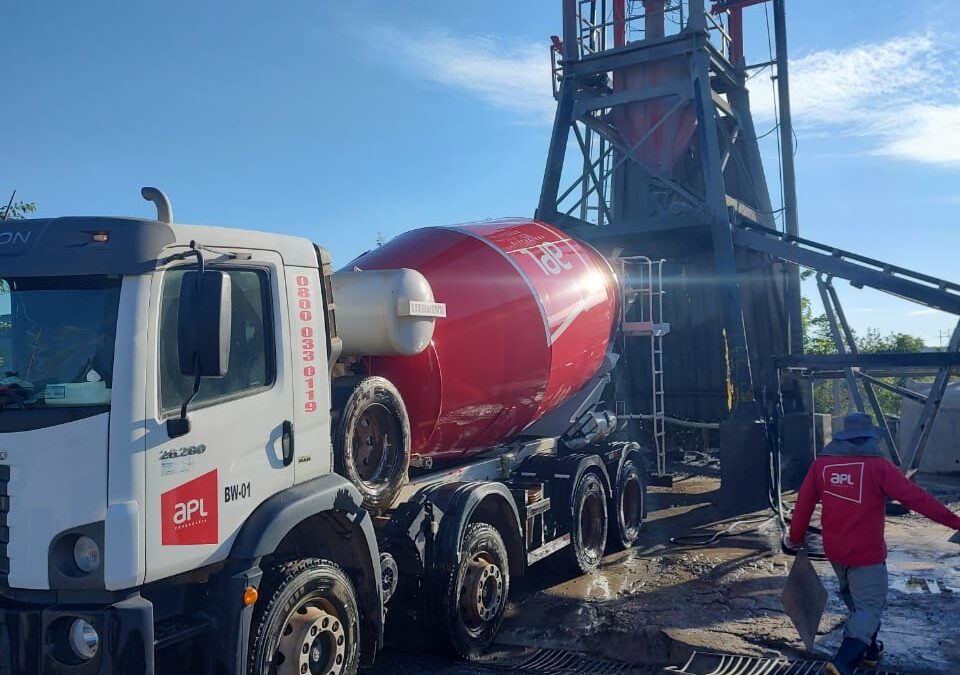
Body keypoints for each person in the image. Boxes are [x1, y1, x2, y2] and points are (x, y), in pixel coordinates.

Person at [788, 412, 960, 675]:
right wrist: (956, 522)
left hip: (834, 550)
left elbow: (803, 505)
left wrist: (796, 537)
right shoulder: (878, 467)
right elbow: (917, 499)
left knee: (858, 603)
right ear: (869, 438)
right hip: (866, 553)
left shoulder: (821, 465)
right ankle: (843, 662)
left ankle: (870, 650)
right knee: (869, 606)